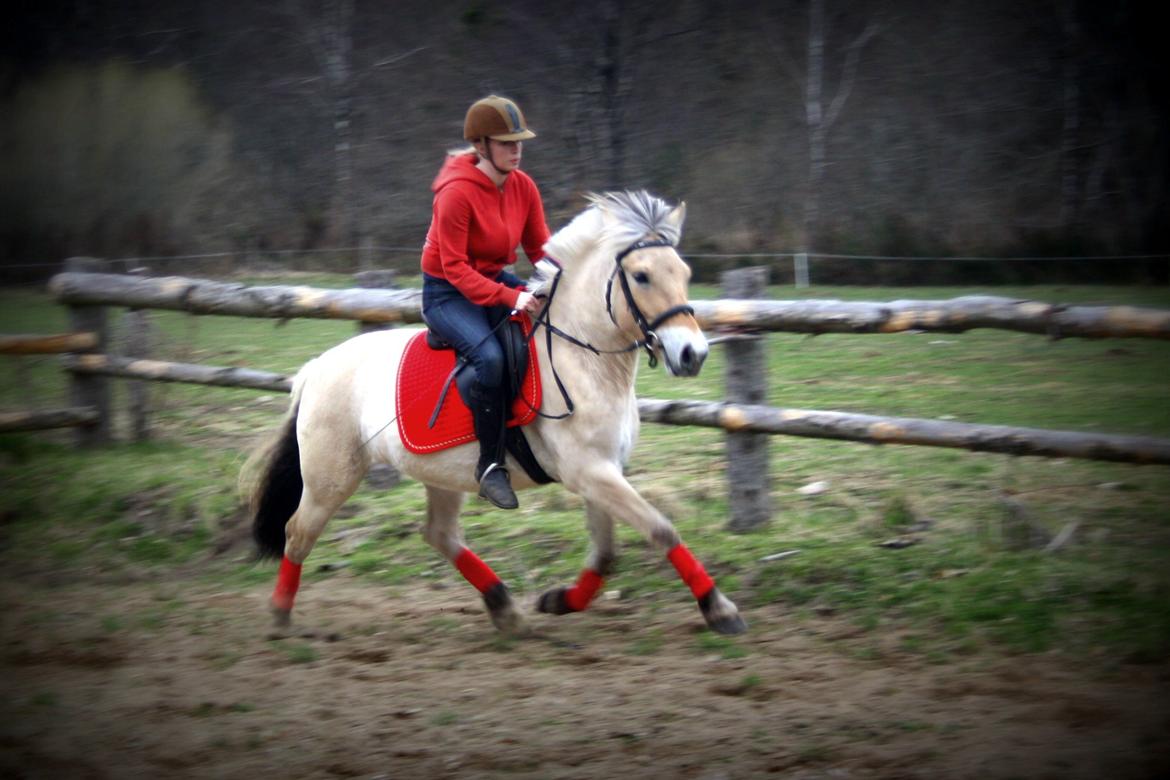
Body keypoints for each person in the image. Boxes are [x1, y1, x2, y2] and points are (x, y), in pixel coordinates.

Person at [420, 95, 550, 510]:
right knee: (491, 360)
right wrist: (513, 296)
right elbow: (455, 270)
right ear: (481, 146)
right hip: (446, 294)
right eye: (506, 142)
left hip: (492, 280)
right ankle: (490, 467)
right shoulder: (455, 195)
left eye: (519, 142)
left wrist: (566, 277)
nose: (516, 149)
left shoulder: (524, 186)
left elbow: (541, 249)